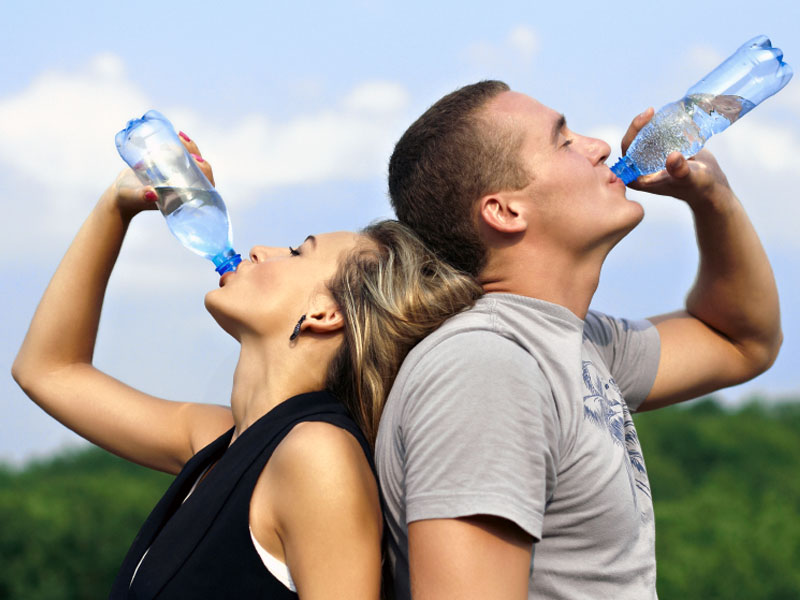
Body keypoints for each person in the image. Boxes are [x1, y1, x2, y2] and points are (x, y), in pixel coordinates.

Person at [11, 135, 482, 599]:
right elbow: (47, 370)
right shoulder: (219, 441)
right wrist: (116, 206)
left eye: (299, 251)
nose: (260, 249)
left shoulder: (318, 457)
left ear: (325, 314)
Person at [376, 80, 783, 599]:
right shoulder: (486, 368)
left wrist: (712, 198)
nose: (601, 147)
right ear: (504, 211)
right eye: (563, 141)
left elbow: (742, 340)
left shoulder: (572, 342)